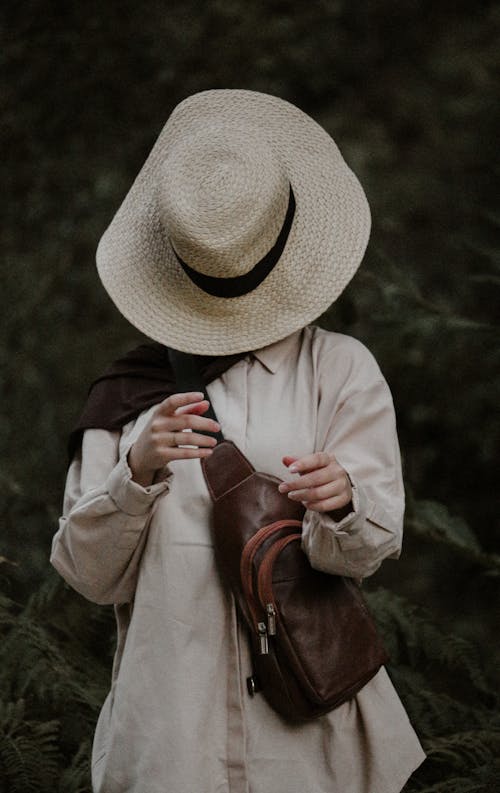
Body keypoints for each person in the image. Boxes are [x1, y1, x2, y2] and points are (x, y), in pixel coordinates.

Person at [50, 89, 426, 793]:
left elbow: (370, 552)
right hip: (170, 742)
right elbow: (87, 573)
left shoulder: (338, 369)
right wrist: (136, 470)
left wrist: (343, 503)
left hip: (309, 746)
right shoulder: (129, 393)